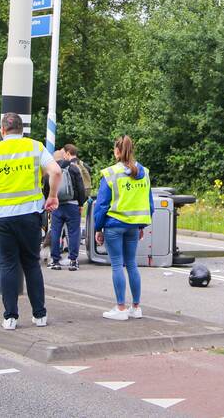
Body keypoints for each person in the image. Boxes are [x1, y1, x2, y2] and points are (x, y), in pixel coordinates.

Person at [0, 113, 61, 330]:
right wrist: (52, 196)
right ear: (23, 130)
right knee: (31, 263)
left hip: (2, 218)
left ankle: (10, 317)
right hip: (30, 215)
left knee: (9, 264)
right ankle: (39, 315)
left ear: (2, 131)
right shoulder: (35, 147)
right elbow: (56, 171)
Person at [93, 135, 153, 321]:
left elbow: (102, 205)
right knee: (132, 264)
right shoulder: (144, 172)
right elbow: (149, 203)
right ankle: (136, 307)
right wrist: (141, 224)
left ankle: (120, 308)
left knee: (117, 265)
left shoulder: (111, 173)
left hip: (114, 225)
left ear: (117, 151)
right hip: (134, 226)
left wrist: (98, 228)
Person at [47, 144, 85, 271]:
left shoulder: (51, 169)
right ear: (64, 156)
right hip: (72, 204)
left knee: (56, 232)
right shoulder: (73, 168)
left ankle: (55, 260)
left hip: (57, 205)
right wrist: (80, 204)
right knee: (73, 232)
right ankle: (73, 261)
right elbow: (80, 188)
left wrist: (49, 199)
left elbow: (46, 187)